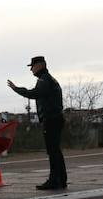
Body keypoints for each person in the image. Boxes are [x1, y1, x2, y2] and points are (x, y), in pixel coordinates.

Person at [7, 55, 67, 189]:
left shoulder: (44, 79)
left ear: (40, 65)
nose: (31, 70)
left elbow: (35, 93)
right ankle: (60, 180)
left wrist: (17, 89)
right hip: (55, 118)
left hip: (51, 119)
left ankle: (54, 181)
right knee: (56, 150)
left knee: (53, 151)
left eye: (32, 66)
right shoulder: (48, 79)